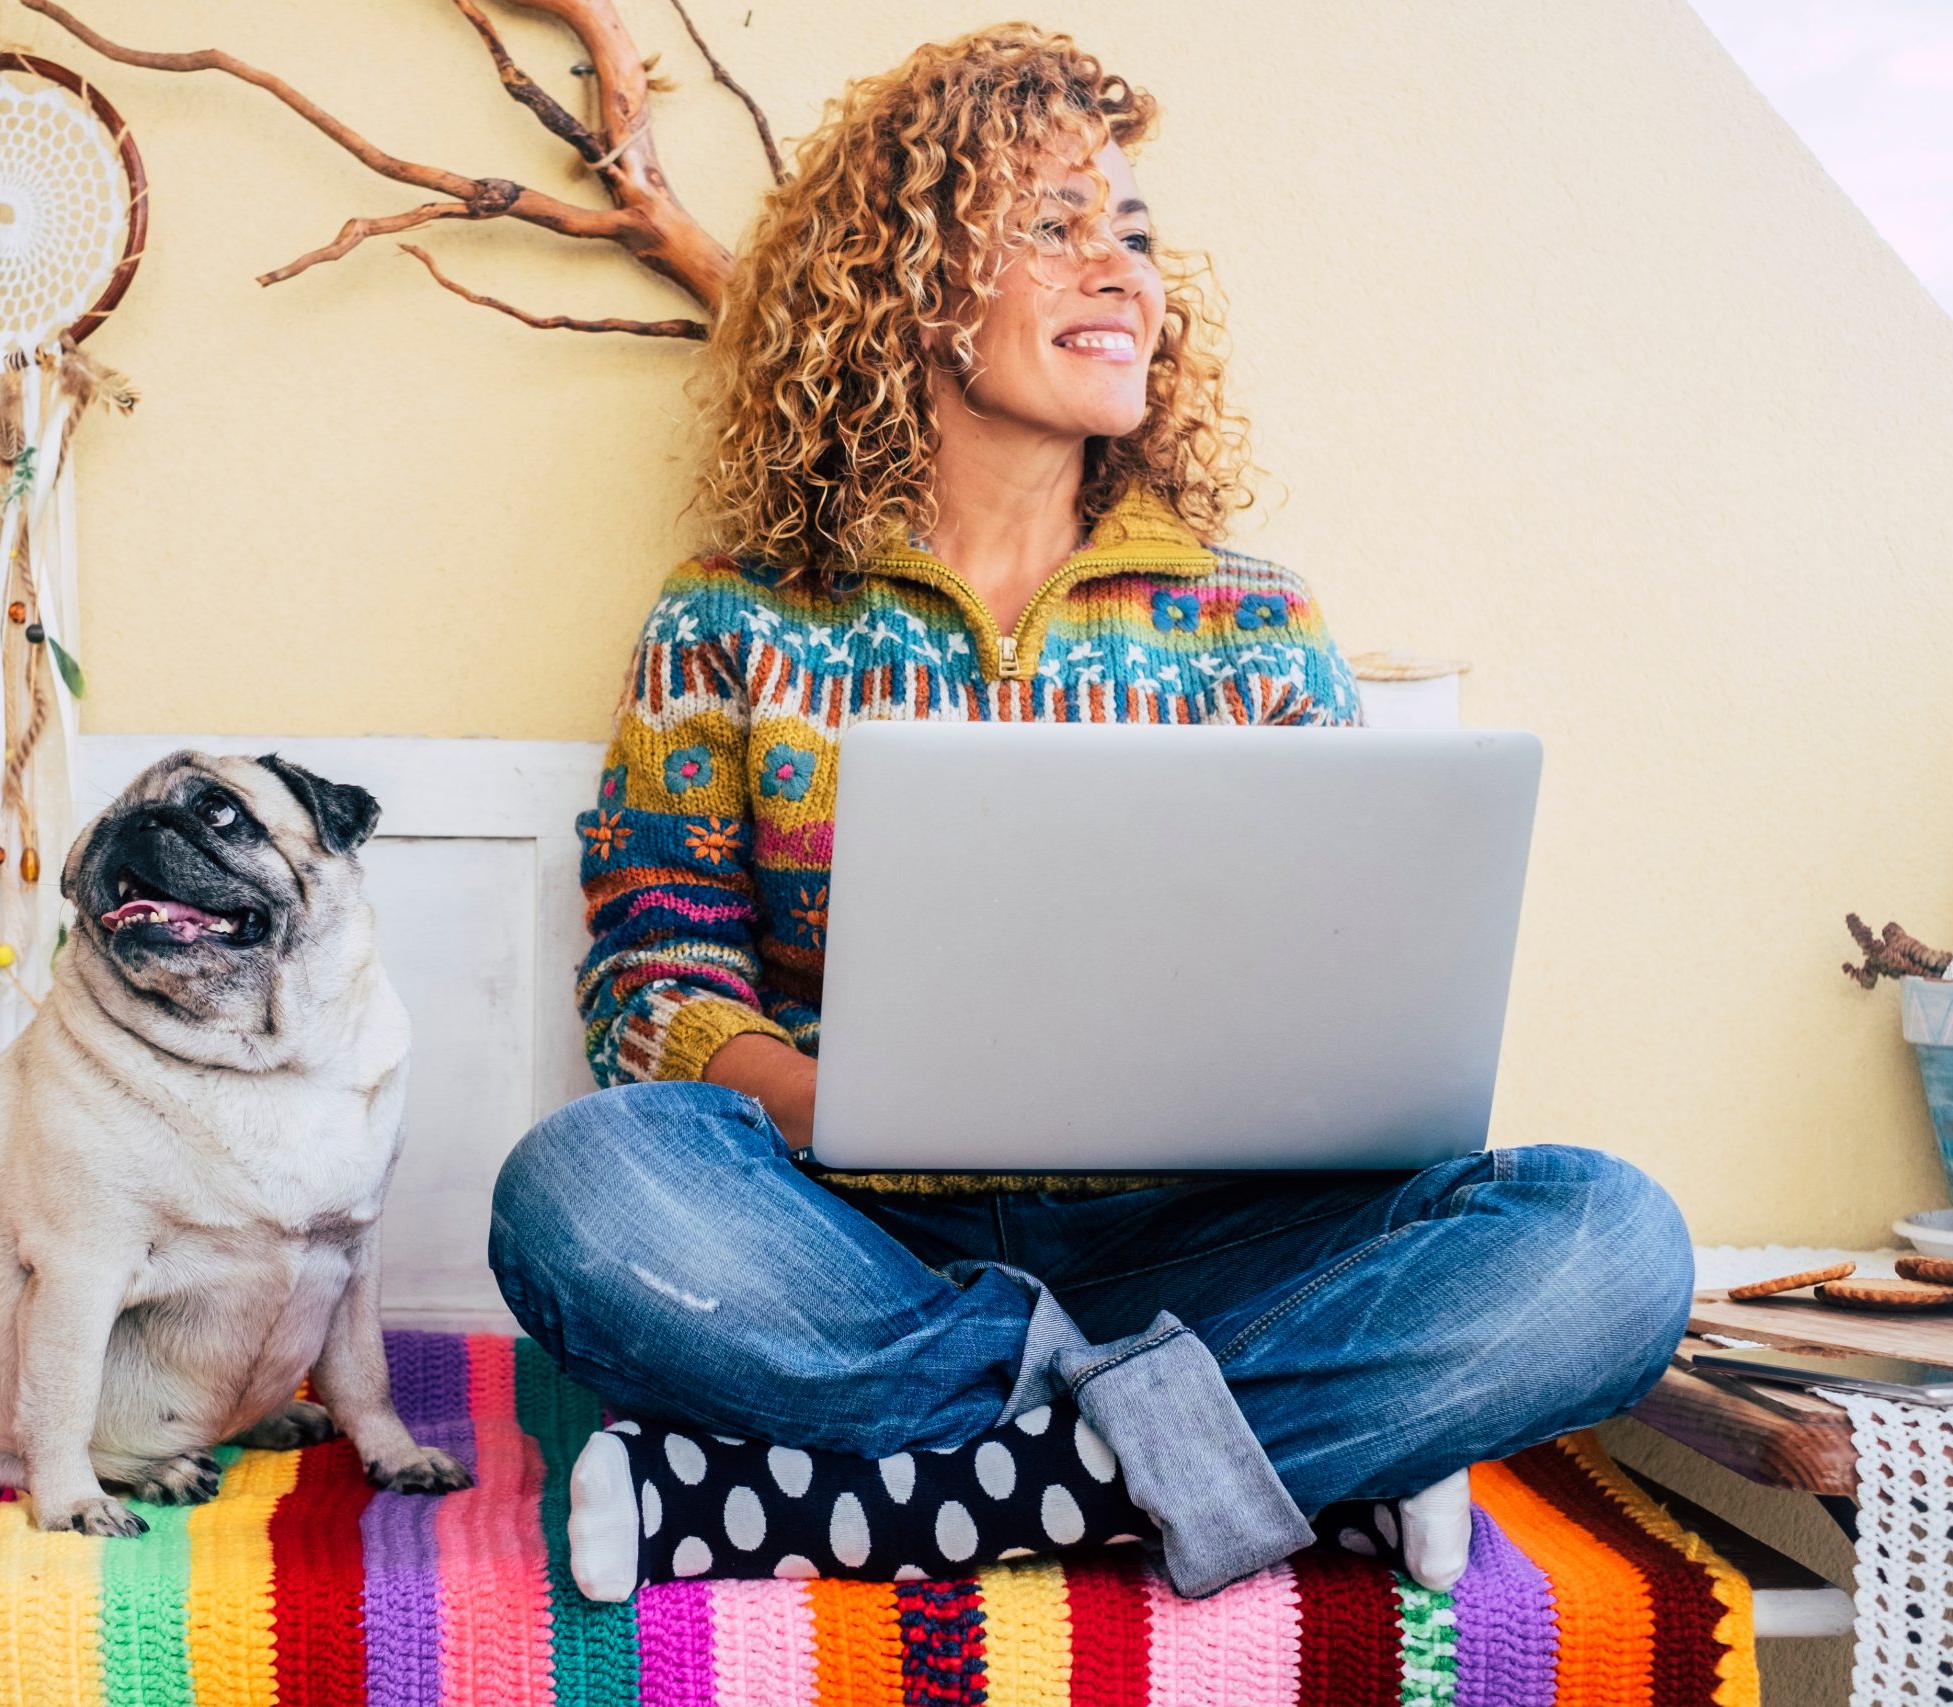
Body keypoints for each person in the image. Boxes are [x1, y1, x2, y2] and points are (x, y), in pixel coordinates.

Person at [487, 25, 1691, 1604]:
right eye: (1052, 227)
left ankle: (877, 1496)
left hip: (1210, 1240)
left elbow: (1351, 985)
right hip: (858, 1243)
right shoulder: (736, 616)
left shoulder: (1253, 628)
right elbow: (653, 971)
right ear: (906, 282)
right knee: (580, 1193)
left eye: (1129, 232)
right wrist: (813, 1100)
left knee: (1610, 1246)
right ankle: (1280, 1458)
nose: (1121, 270)